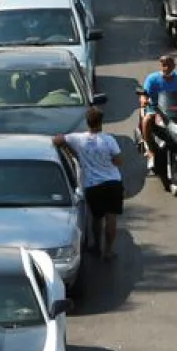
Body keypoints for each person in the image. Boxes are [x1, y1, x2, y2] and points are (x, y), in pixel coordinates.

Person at [53, 107, 124, 260]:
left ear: (87, 122)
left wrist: (71, 151)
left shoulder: (78, 139)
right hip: (113, 183)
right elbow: (118, 161)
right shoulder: (109, 140)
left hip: (92, 184)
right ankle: (108, 250)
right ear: (101, 122)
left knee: (96, 218)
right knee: (111, 217)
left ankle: (96, 246)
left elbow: (57, 140)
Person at [140, 54, 177, 174]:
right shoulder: (152, 79)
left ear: (174, 66)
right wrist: (144, 100)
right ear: (160, 65)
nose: (166, 68)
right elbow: (144, 94)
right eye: (163, 65)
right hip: (157, 110)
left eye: (169, 65)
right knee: (146, 120)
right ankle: (151, 151)